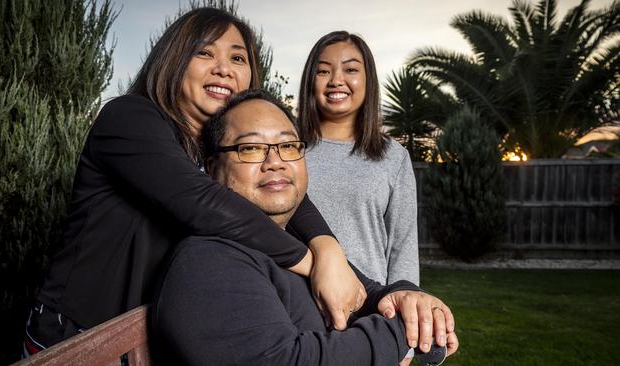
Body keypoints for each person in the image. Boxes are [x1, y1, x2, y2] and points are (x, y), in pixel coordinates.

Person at [23, 8, 365, 356]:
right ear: (173, 60)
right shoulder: (129, 118)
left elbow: (290, 193)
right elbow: (202, 203)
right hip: (79, 341)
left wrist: (329, 250)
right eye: (204, 52)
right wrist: (313, 265)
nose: (224, 68)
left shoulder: (220, 147)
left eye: (237, 57)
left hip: (158, 343)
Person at [153, 89, 458, 365]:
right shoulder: (210, 260)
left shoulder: (297, 247)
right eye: (251, 148)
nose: (276, 161)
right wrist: (403, 328)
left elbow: (373, 296)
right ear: (212, 167)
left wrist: (411, 300)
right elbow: (292, 361)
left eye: (288, 145)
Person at [298, 31, 419, 285]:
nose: (336, 80)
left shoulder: (393, 157)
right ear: (310, 80)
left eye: (350, 70)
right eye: (323, 71)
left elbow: (402, 247)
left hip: (368, 307)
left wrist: (403, 304)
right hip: (293, 301)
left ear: (368, 80)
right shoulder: (285, 148)